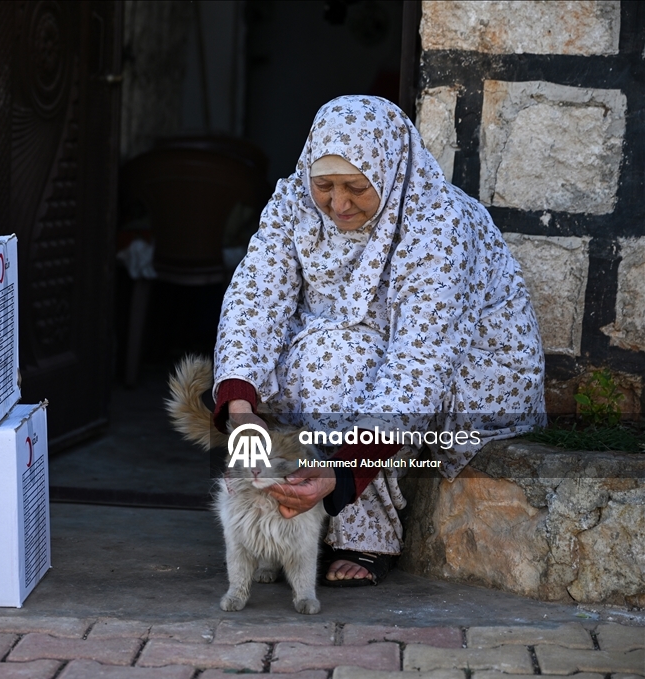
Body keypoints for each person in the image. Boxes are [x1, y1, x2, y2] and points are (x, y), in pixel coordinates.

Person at [211, 95, 546, 586]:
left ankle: (364, 534)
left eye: (356, 187)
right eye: (324, 185)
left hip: (470, 369)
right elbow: (255, 299)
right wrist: (241, 408)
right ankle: (286, 528)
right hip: (348, 344)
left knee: (337, 363)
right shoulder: (292, 202)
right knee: (273, 368)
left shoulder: (439, 223)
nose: (338, 204)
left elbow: (420, 362)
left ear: (389, 171)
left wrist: (344, 472)